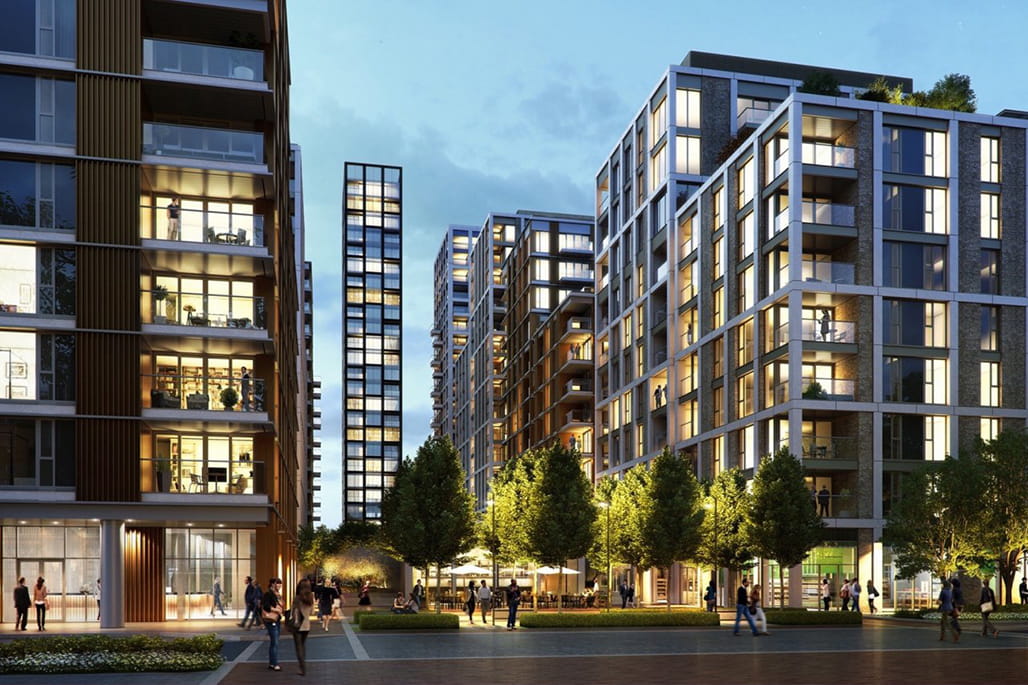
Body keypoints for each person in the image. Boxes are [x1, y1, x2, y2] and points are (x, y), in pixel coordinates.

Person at [291, 579, 314, 677]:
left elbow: (294, 611)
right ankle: (303, 666)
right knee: (303, 646)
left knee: (298, 647)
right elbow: (312, 612)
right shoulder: (310, 597)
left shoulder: (297, 598)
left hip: (298, 625)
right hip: (307, 625)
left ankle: (302, 668)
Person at [262, 577, 284, 671]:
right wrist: (276, 610)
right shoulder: (268, 594)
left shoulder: (277, 594)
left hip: (277, 620)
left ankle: (272, 663)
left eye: (280, 583)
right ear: (272, 584)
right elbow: (266, 606)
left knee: (274, 642)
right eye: (277, 583)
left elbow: (281, 604)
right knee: (275, 642)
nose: (279, 585)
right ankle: (275, 664)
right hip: (271, 620)